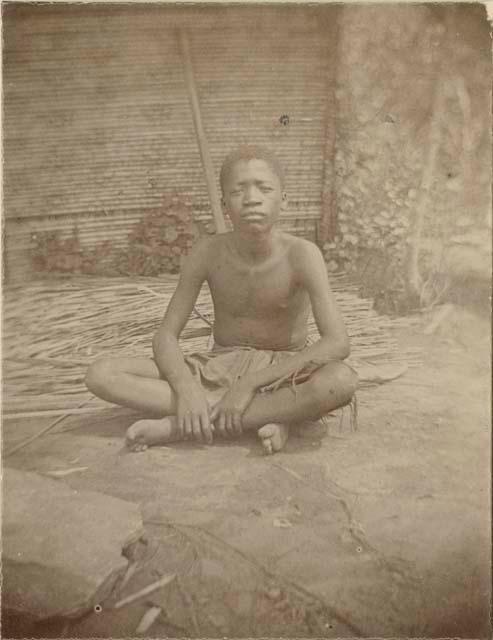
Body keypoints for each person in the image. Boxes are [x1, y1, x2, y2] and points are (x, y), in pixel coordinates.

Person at [85, 145, 358, 454]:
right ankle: (269, 416)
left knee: (341, 380)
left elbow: (337, 343)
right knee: (101, 374)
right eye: (239, 190)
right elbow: (165, 336)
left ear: (284, 199)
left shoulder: (303, 254)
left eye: (264, 188)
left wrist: (248, 384)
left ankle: (182, 427)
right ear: (224, 202)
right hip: (217, 367)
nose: (252, 198)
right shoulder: (208, 252)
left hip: (281, 373)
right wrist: (187, 390)